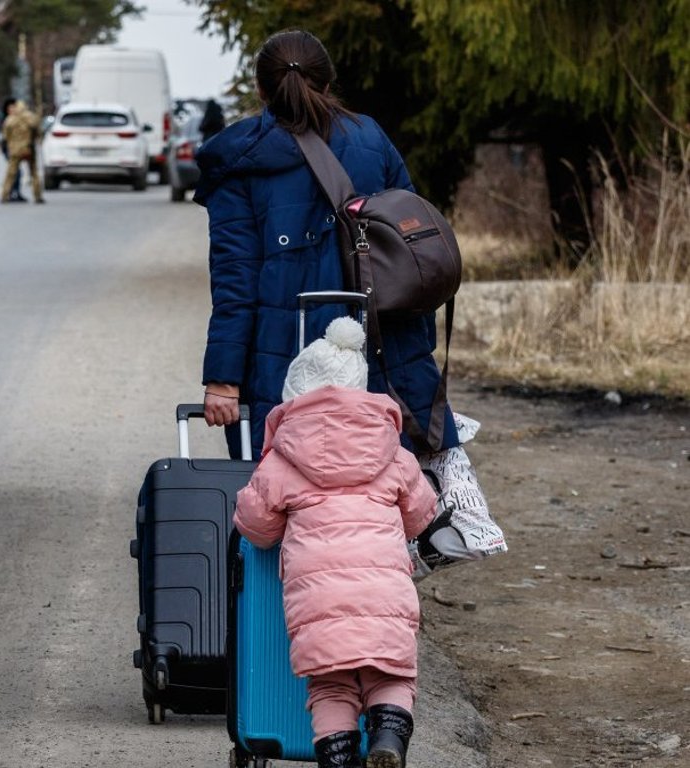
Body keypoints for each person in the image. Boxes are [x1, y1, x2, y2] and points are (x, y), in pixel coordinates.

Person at [194, 28, 460, 461]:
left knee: (289, 486)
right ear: (328, 82)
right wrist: (416, 348)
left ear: (261, 89)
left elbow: (235, 280)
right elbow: (414, 252)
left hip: (280, 360)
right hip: (379, 345)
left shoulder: (239, 163)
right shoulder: (371, 138)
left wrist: (222, 379)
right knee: (383, 484)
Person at [234, 317, 437, 768]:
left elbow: (256, 527)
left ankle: (338, 759)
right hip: (384, 593)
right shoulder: (394, 454)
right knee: (392, 673)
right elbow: (422, 514)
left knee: (332, 687)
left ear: (295, 398)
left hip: (319, 601)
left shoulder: (282, 460)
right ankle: (387, 739)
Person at [1, 98, 44, 204]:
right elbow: (38, 132)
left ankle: (5, 195)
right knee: (34, 173)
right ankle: (37, 195)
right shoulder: (31, 117)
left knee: (10, 174)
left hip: (15, 149)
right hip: (29, 148)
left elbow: (5, 135)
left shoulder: (11, 119)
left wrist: (10, 144)